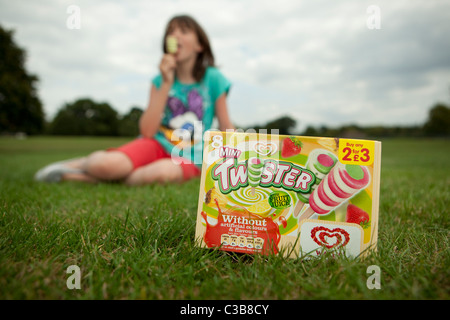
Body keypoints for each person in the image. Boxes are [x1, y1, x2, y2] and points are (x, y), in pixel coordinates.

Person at [35, 15, 234, 185]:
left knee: (162, 174)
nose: (175, 35)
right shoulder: (159, 81)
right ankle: (79, 165)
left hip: (193, 155)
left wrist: (239, 159)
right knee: (105, 165)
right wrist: (166, 83)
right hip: (155, 144)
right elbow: (147, 131)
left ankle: (77, 178)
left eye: (183, 31)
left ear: (200, 45)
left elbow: (226, 126)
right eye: (171, 32)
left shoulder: (213, 78)